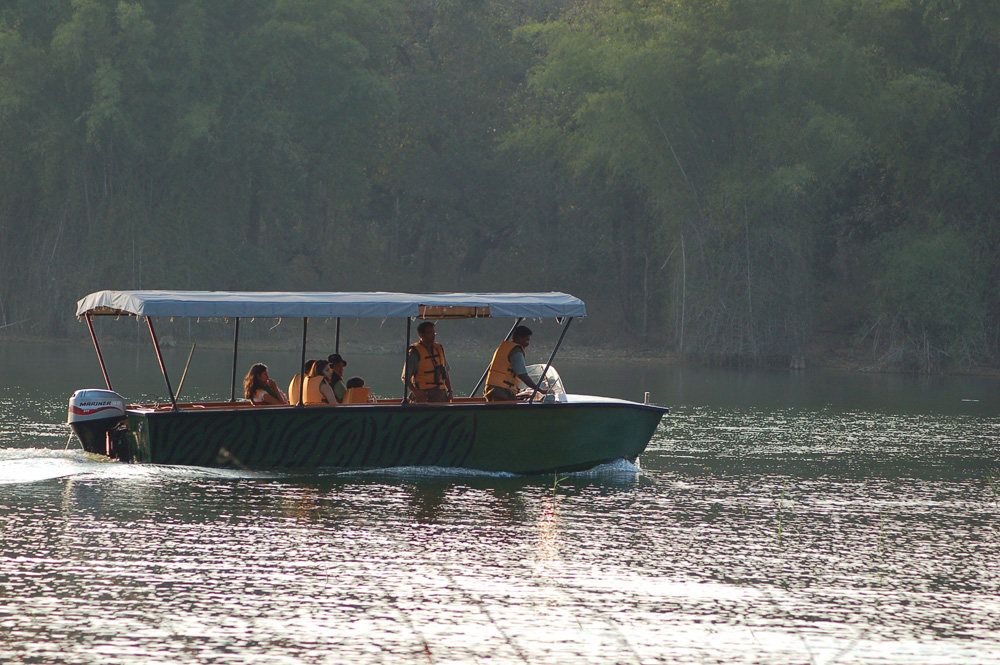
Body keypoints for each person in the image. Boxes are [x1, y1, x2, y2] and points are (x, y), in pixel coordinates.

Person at [484, 325, 547, 402]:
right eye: (526, 340)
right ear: (519, 338)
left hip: (491, 388)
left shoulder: (505, 347)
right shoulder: (516, 351)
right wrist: (539, 390)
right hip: (502, 391)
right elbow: (522, 375)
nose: (528, 343)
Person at [403, 321, 452, 403]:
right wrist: (416, 392)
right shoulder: (415, 352)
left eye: (433, 332)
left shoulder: (438, 348)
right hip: (424, 396)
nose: (433, 335)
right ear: (421, 335)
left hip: (441, 395)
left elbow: (445, 373)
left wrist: (450, 391)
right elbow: (405, 378)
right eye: (430, 332)